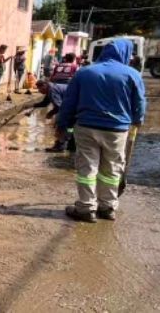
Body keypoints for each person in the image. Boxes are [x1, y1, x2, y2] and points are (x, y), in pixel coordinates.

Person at [57, 39, 145, 223]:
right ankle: (108, 207)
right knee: (112, 168)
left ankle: (86, 208)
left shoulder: (85, 72)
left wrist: (62, 125)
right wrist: (138, 120)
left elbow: (69, 102)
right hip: (117, 130)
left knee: (87, 167)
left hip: (87, 127)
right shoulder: (132, 74)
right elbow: (139, 103)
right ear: (125, 54)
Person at [32, 80, 70, 152]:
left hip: (71, 107)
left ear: (45, 85)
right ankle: (70, 143)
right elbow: (45, 103)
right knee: (70, 127)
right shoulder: (51, 88)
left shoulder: (52, 91)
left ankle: (60, 145)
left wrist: (50, 114)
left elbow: (59, 107)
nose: (39, 91)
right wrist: (32, 105)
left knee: (60, 124)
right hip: (74, 105)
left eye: (40, 88)